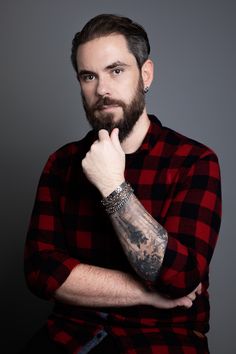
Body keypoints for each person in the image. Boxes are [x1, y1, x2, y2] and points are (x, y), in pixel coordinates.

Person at [22, 14, 221, 354]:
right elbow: (42, 271)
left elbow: (183, 276)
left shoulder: (194, 161)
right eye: (89, 76)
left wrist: (114, 186)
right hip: (70, 335)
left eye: (116, 70)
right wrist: (147, 293)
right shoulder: (61, 163)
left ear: (145, 75)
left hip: (161, 340)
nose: (102, 89)